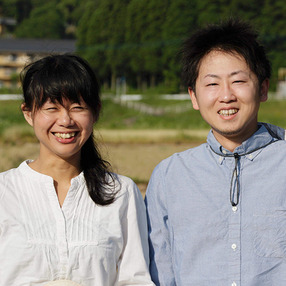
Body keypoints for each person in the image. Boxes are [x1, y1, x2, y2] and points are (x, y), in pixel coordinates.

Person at [145, 19, 286, 285]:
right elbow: (160, 271)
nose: (226, 95)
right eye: (212, 84)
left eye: (238, 81)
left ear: (263, 88)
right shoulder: (169, 176)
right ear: (194, 97)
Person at [0, 54, 154, 286]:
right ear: (28, 113)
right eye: (51, 108)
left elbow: (136, 280)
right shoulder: (4, 192)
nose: (65, 120)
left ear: (96, 112)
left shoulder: (121, 192)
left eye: (77, 107)